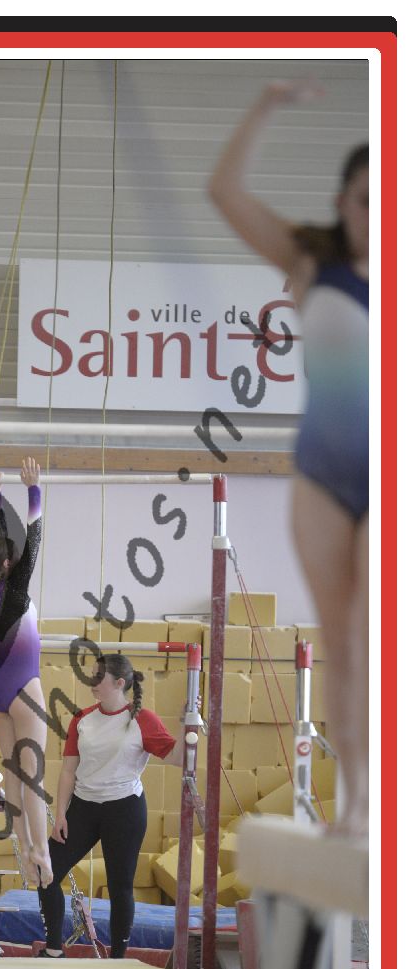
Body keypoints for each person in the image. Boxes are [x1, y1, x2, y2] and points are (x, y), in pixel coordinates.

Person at [208, 80, 369, 837]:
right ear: (342, 203)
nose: (376, 215)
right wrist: (264, 105)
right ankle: (359, 801)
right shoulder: (312, 263)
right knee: (342, 639)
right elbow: (226, 193)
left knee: (376, 630)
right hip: (325, 476)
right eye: (364, 201)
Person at [37, 654, 185, 958]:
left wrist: (187, 724)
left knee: (120, 886)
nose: (91, 682)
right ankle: (53, 950)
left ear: (119, 683)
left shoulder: (142, 720)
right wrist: (61, 814)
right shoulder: (82, 719)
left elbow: (177, 757)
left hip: (124, 809)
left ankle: (118, 958)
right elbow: (68, 771)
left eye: (98, 677)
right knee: (46, 871)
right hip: (84, 807)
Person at [0, 457, 53, 887]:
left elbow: (0, 540)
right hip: (24, 687)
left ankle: (24, 846)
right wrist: (34, 489)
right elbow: (34, 537)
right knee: (33, 778)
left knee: (13, 778)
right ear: (9, 563)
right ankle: (40, 850)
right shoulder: (18, 587)